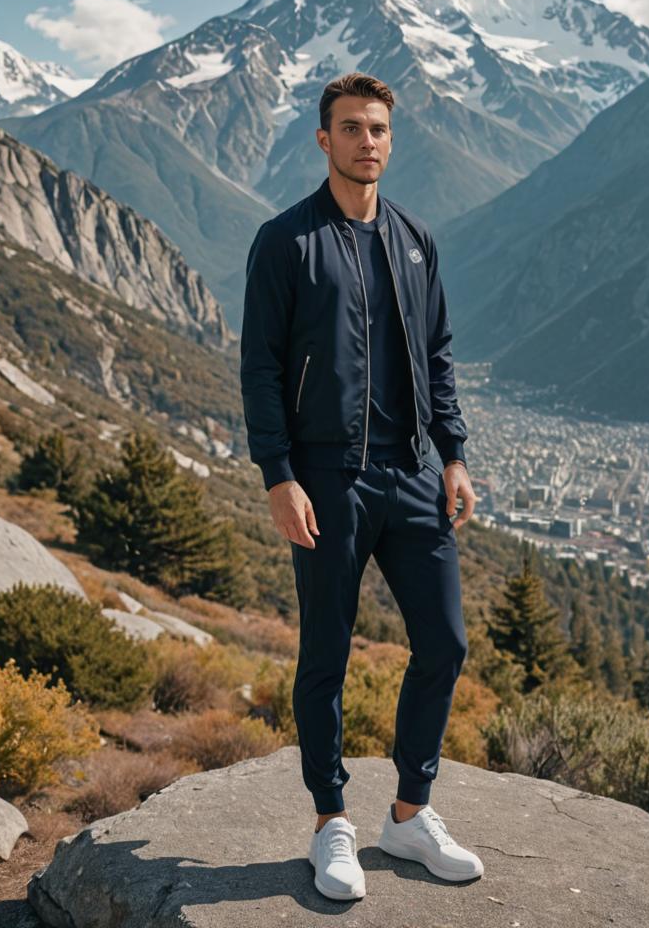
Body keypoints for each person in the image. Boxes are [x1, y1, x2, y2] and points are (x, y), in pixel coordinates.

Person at [239, 71, 483, 901]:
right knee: (327, 656)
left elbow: (438, 355)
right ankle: (330, 825)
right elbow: (261, 370)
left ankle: (409, 817)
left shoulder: (415, 238)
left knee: (444, 642)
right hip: (328, 479)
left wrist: (452, 453)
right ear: (323, 140)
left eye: (377, 128)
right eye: (350, 128)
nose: (366, 141)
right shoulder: (286, 240)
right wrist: (279, 476)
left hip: (414, 473)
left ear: (391, 138)